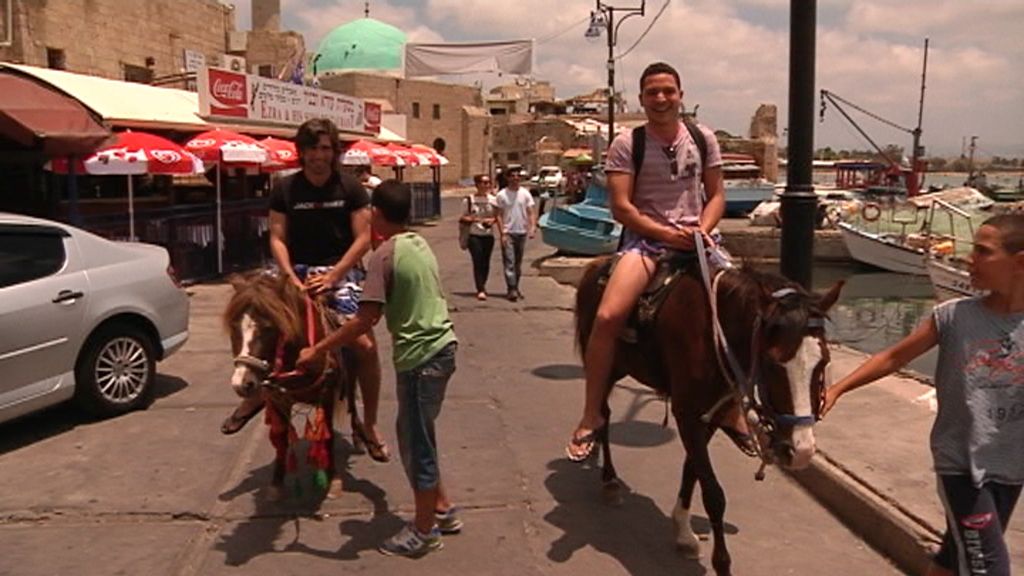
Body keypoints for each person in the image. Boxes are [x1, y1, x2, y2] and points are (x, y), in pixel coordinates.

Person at [566, 61, 752, 461]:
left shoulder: (703, 139)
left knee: (747, 312)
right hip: (647, 244)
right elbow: (621, 207)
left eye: (668, 90)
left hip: (702, 241)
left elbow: (716, 194)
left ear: (681, 95)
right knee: (607, 317)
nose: (661, 98)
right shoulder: (626, 143)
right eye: (653, 92)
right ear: (642, 99)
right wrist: (667, 234)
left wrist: (702, 228)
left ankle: (733, 407)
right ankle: (591, 413)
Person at [822, 214, 1024, 576]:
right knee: (989, 568)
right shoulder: (953, 317)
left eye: (982, 251)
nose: (969, 259)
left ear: (1019, 263)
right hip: (962, 466)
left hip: (1010, 467)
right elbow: (893, 357)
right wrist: (837, 389)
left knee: (952, 557)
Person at [297, 180, 460, 557]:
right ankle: (443, 509)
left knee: (416, 443)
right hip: (443, 350)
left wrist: (316, 349)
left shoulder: (384, 257)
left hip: (420, 360)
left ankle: (424, 531)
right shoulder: (417, 244)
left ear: (377, 214)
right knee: (417, 433)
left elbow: (363, 321)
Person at [221, 118, 390, 464]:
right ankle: (255, 392)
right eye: (312, 148)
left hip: (339, 269)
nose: (319, 155)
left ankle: (369, 424)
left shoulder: (351, 188)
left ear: (334, 151)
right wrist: (291, 279)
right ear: (302, 151)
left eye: (325, 148)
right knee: (250, 312)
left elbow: (362, 239)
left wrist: (333, 276)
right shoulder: (285, 189)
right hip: (294, 270)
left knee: (364, 345)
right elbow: (277, 239)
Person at [493, 169, 537, 302]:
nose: (515, 178)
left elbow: (531, 212)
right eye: (512, 176)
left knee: (518, 263)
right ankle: (511, 288)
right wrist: (502, 233)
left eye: (518, 176)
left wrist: (532, 227)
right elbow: (498, 215)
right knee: (509, 261)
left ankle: (516, 287)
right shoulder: (501, 195)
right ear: (507, 178)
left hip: (521, 232)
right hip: (508, 232)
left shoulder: (525, 193)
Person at [461, 174, 498, 300]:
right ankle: (480, 289)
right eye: (483, 183)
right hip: (474, 234)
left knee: (486, 262)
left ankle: (483, 283)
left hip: (488, 235)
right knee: (477, 261)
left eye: (488, 183)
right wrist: (472, 219)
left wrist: (491, 221)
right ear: (477, 185)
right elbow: (462, 217)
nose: (486, 185)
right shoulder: (469, 200)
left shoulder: (493, 200)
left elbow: (497, 217)